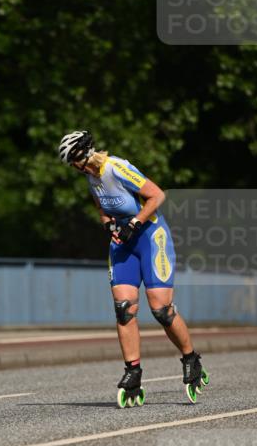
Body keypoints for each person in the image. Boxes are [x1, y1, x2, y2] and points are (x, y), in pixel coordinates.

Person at [58, 129, 209, 406]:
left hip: (150, 237)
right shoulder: (90, 176)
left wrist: (135, 222)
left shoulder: (117, 168)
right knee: (124, 309)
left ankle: (191, 358)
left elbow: (156, 195)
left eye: (74, 160)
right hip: (123, 242)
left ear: (85, 153)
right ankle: (133, 372)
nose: (74, 167)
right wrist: (107, 223)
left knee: (161, 310)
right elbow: (100, 203)